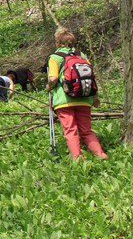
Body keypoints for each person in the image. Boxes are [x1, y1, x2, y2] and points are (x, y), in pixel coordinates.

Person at [46, 27, 107, 159]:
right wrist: (95, 97)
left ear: (57, 42)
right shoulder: (82, 56)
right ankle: (101, 155)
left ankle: (78, 159)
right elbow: (92, 76)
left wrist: (48, 87)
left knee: (70, 131)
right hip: (84, 98)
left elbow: (53, 78)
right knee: (86, 131)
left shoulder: (55, 57)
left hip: (64, 100)